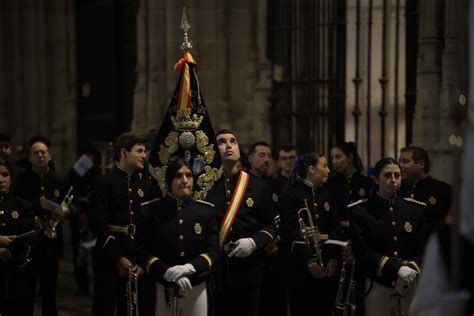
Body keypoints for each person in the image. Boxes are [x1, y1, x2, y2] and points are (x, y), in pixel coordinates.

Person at [135, 159, 219, 315]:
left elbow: (214, 250)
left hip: (196, 284)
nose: (185, 180)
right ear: (168, 181)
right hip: (160, 285)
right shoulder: (150, 210)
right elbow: (140, 250)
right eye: (178, 176)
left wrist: (190, 268)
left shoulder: (206, 212)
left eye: (189, 175)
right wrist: (165, 271)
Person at [205, 129, 276, 316]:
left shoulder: (257, 185)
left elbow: (270, 226)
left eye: (233, 141)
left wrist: (254, 242)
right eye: (221, 142)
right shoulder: (206, 185)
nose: (228, 145)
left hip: (249, 270)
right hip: (215, 270)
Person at [89, 132, 158, 316]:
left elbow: (151, 226)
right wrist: (118, 257)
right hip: (109, 255)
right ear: (123, 153)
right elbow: (98, 223)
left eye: (145, 151)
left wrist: (144, 261)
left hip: (137, 255)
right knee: (105, 305)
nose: (144, 155)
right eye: (140, 151)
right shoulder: (104, 183)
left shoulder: (146, 187)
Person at [349, 157, 426, 316]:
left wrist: (411, 267)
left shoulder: (414, 210)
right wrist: (396, 268)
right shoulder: (361, 211)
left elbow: (424, 247)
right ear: (376, 179)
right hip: (377, 282)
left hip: (408, 281)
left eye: (397, 175)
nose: (393, 180)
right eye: (387, 175)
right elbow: (362, 252)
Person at [278, 153, 343, 316]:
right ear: (312, 169)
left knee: (326, 308)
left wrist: (334, 258)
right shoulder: (292, 194)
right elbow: (292, 231)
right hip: (301, 266)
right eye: (324, 166)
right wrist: (310, 262)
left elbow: (335, 229)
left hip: (328, 263)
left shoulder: (327, 194)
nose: (328, 170)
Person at [14, 136, 70, 316]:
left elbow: (72, 204)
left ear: (50, 156)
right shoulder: (21, 180)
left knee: (49, 289)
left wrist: (66, 210)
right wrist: (31, 218)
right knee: (27, 289)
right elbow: (15, 205)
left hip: (52, 241)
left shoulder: (60, 179)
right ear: (29, 157)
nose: (40, 156)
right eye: (35, 153)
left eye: (43, 152)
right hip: (29, 241)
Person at [0, 159, 36, 316]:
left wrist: (10, 251)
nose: (0, 179)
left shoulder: (23, 206)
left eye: (5, 174)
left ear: (11, 178)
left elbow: (27, 238)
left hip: (15, 272)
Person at [398, 146, 452, 238]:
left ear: (421, 164)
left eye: (405, 161)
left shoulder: (444, 190)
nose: (400, 165)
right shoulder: (397, 189)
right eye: (399, 161)